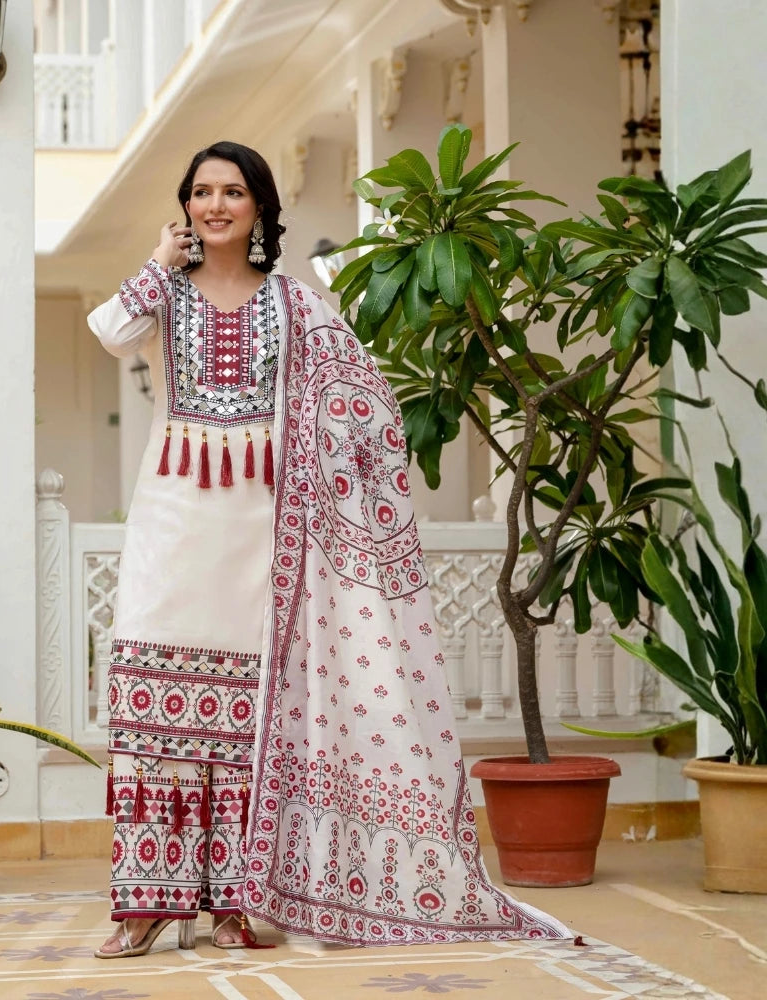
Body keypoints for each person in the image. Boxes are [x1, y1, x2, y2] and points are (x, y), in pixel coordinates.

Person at [87, 141, 570, 957]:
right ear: (186, 208)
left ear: (259, 207)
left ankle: (237, 901)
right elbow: (108, 330)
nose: (214, 206)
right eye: (200, 192)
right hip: (173, 519)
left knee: (249, 713)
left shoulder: (296, 306)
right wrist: (158, 262)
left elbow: (363, 396)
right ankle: (147, 903)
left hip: (265, 533)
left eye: (231, 192)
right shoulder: (164, 293)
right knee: (152, 698)